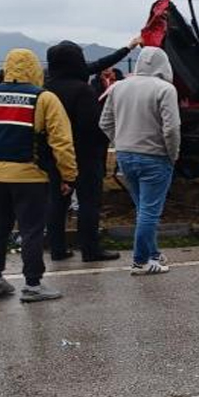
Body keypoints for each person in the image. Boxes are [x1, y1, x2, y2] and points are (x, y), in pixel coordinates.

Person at [0, 48, 77, 303]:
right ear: (35, 69)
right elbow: (62, 143)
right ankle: (33, 284)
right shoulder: (45, 98)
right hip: (31, 176)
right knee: (32, 231)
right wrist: (68, 176)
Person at [43, 39, 140, 262]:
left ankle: (57, 249)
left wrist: (128, 47)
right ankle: (90, 249)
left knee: (56, 203)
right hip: (85, 157)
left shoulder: (47, 88)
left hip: (54, 156)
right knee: (88, 203)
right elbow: (93, 126)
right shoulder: (82, 90)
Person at [99, 46, 180, 276]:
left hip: (125, 156)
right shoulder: (165, 89)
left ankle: (153, 253)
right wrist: (173, 154)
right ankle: (140, 261)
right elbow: (172, 128)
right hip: (155, 157)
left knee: (142, 209)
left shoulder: (119, 86)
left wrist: (121, 141)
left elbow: (104, 122)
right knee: (149, 211)